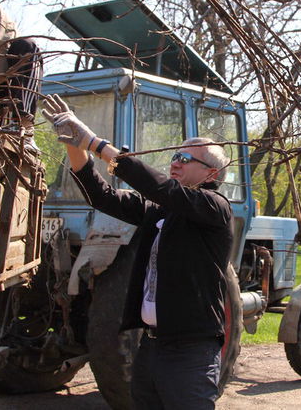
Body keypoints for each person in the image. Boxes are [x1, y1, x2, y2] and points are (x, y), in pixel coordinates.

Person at [42, 94, 233, 410]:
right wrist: (73, 144)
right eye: (174, 155)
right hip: (152, 346)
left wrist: (94, 142)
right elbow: (102, 197)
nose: (175, 162)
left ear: (211, 174)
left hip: (190, 352)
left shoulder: (214, 208)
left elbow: (158, 187)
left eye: (185, 159)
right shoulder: (161, 212)